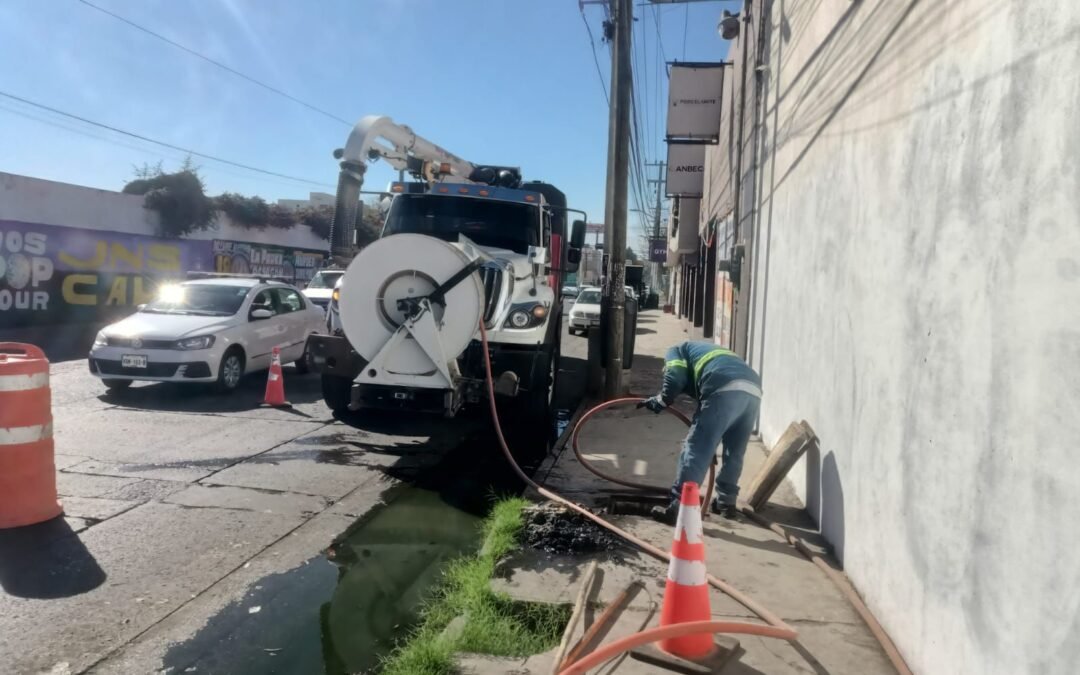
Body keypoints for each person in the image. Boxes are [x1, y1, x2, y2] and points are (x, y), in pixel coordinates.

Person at [638, 341, 762, 522]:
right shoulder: (704, 352)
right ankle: (726, 503)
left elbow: (675, 376)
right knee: (734, 451)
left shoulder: (675, 350)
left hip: (724, 386)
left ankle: (679, 507)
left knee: (696, 449)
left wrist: (662, 400)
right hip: (753, 390)